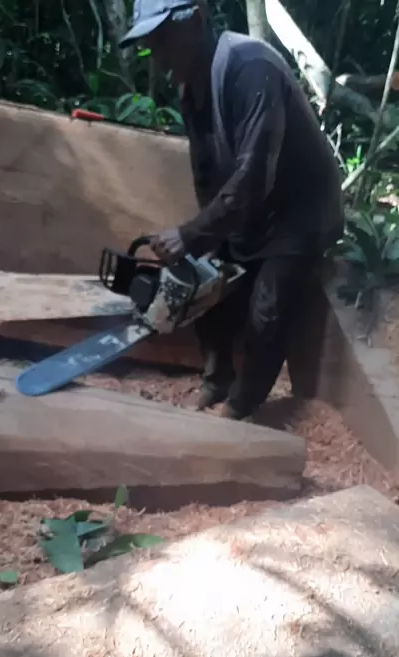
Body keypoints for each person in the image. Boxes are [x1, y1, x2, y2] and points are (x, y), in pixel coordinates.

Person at [119, 0, 344, 420]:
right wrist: (202, 247)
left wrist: (190, 234)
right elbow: (207, 177)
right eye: (152, 44)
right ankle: (216, 380)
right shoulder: (191, 89)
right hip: (250, 209)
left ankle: (241, 406)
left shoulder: (251, 67)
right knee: (205, 290)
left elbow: (253, 176)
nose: (158, 55)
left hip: (301, 211)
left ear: (197, 19)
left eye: (163, 38)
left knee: (266, 310)